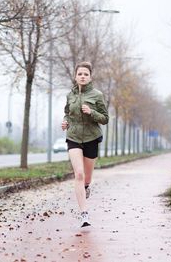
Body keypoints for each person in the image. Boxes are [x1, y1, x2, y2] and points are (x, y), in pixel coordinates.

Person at [62, 61, 109, 227]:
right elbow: (68, 113)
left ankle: (87, 186)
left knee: (87, 178)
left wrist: (92, 112)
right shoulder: (70, 95)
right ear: (75, 77)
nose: (82, 76)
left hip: (91, 138)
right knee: (79, 174)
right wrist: (65, 122)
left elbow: (105, 118)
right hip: (73, 137)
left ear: (90, 77)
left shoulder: (97, 95)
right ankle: (84, 214)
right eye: (80, 74)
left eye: (85, 74)